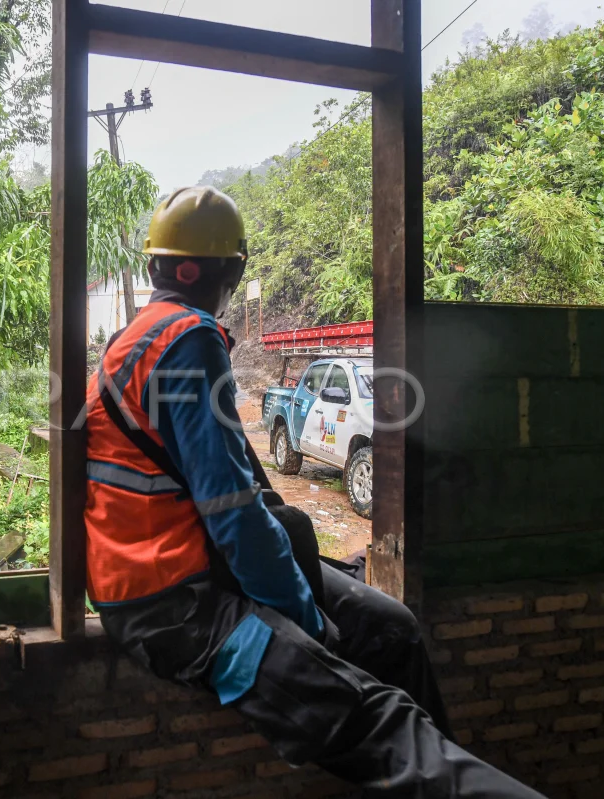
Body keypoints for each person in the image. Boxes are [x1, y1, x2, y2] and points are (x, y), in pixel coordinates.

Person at [84, 186, 545, 797]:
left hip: (193, 574)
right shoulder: (187, 340)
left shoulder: (137, 339)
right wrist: (308, 621)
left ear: (157, 268)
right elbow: (233, 512)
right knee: (383, 726)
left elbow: (240, 494)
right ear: (222, 274)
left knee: (391, 627)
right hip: (173, 608)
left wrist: (305, 597)